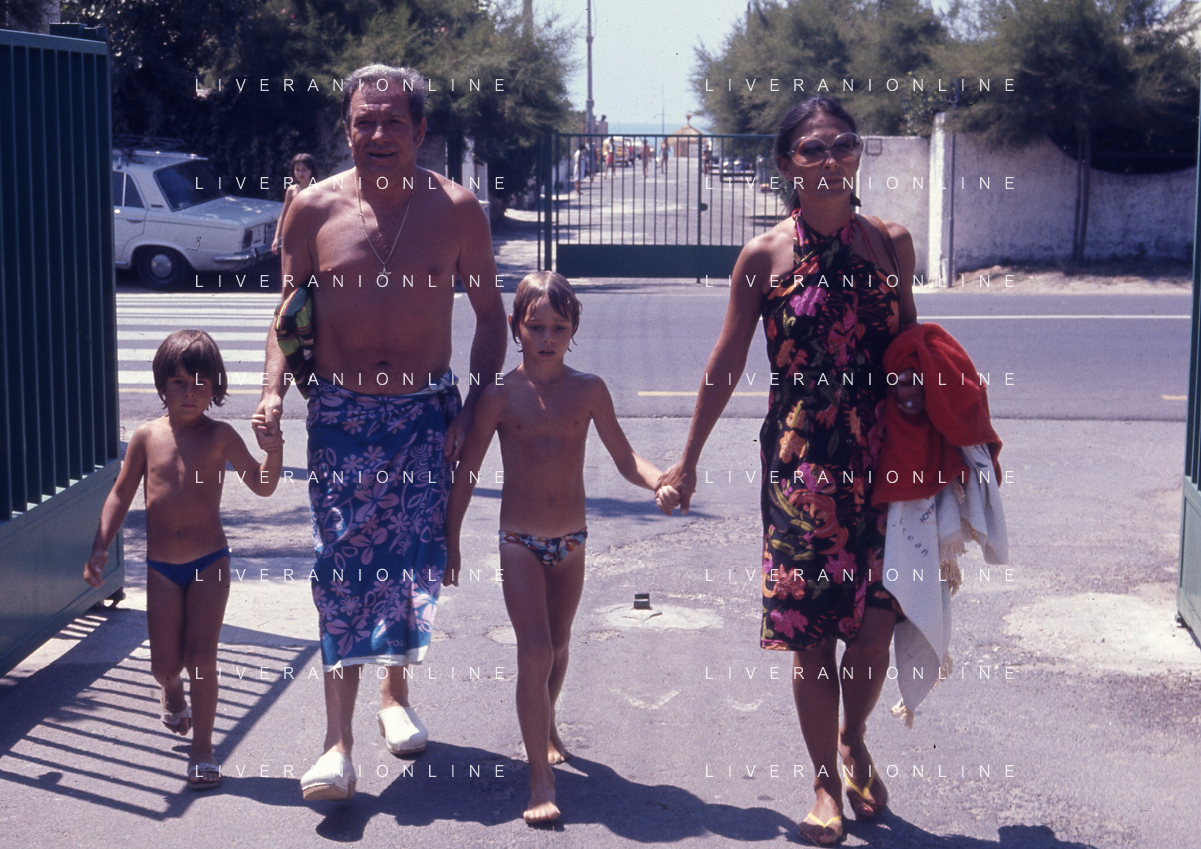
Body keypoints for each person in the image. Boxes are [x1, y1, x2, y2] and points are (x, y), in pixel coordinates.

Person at [656, 96, 920, 846]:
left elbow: (911, 344)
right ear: (786, 165)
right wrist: (687, 460)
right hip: (803, 468)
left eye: (843, 144)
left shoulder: (890, 244)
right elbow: (725, 363)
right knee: (812, 633)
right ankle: (823, 781)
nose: (831, 159)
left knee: (874, 629)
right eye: (813, 149)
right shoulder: (764, 257)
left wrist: (940, 427)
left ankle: (853, 737)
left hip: (885, 462)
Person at [254, 63, 507, 801]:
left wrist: (477, 402)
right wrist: (271, 391)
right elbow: (288, 315)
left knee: (408, 567)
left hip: (426, 416)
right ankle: (336, 744)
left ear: (420, 129)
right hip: (341, 416)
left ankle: (395, 695)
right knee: (341, 570)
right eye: (364, 120)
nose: (378, 133)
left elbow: (490, 315)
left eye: (394, 120)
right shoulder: (311, 210)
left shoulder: (457, 209)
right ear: (347, 128)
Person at [443, 271, 674, 824]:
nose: (547, 338)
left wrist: (659, 481)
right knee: (535, 651)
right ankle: (539, 779)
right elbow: (468, 471)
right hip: (518, 542)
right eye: (536, 326)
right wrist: (451, 539)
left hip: (572, 540)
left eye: (559, 328)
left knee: (561, 643)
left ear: (573, 331)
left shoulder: (589, 390)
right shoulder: (500, 396)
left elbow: (625, 458)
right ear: (516, 327)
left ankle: (547, 724)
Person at [83, 329, 283, 790]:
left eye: (200, 383)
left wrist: (273, 452)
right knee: (164, 666)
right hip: (162, 569)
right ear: (161, 386)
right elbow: (120, 493)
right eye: (178, 382)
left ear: (214, 389)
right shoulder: (146, 436)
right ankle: (171, 692)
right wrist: (100, 545)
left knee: (202, 658)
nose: (189, 392)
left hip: (209, 562)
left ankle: (203, 750)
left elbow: (263, 485)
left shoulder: (220, 436)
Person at [272, 153, 318, 254]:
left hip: (313, 236)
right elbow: (283, 215)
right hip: (295, 235)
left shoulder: (318, 190)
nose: (301, 173)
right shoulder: (291, 191)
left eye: (304, 169)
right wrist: (276, 238)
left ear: (312, 170)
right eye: (297, 170)